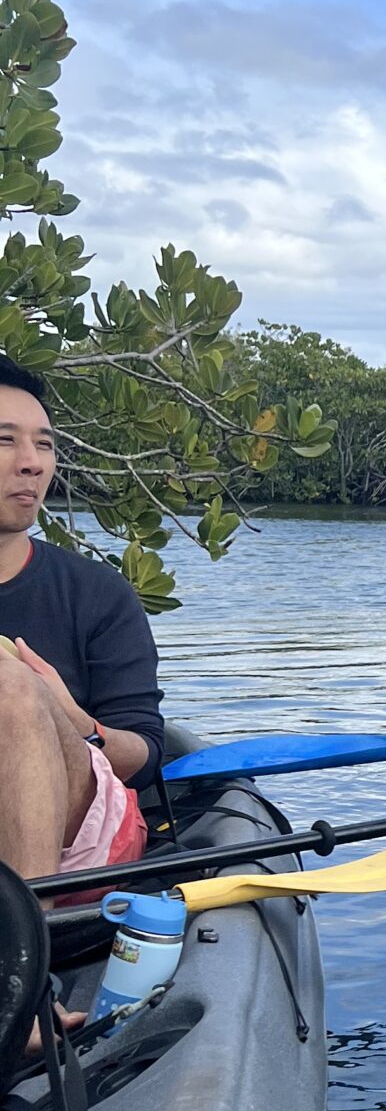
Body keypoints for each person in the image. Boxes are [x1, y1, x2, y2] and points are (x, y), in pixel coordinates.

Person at [0, 355, 163, 884]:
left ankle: (24, 956)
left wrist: (68, 716)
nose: (32, 463)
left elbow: (145, 752)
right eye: (6, 440)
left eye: (44, 444)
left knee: (13, 689)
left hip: (85, 843)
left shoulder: (98, 594)